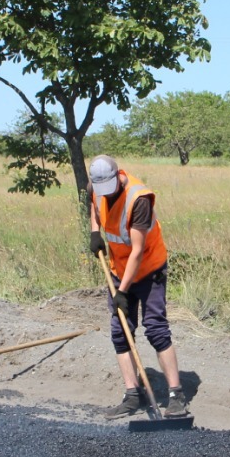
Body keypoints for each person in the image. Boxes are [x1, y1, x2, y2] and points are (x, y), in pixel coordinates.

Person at [86, 154, 189, 419]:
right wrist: (95, 231)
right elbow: (94, 205)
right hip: (119, 269)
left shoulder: (139, 199)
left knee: (155, 328)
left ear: (118, 176)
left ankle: (176, 394)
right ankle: (132, 394)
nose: (105, 194)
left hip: (149, 268)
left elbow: (138, 251)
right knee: (120, 331)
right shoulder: (96, 188)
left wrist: (122, 291)